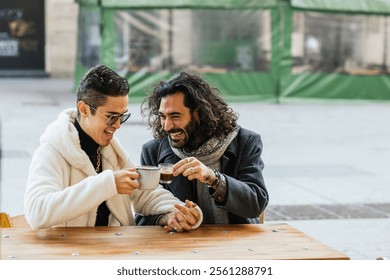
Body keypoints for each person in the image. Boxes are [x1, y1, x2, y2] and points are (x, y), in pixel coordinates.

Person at [24, 65, 202, 231]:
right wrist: (109, 184)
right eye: (111, 117)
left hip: (115, 251)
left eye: (122, 117)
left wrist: (178, 211)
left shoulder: (112, 151)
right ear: (84, 109)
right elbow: (37, 212)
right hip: (70, 257)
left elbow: (145, 194)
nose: (118, 125)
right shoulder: (51, 152)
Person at [137, 71, 268, 225]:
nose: (166, 126)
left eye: (175, 116)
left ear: (198, 113)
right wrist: (165, 218)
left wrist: (213, 178)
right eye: (162, 116)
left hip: (236, 243)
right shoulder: (152, 151)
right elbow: (141, 215)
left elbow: (256, 204)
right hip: (182, 245)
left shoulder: (245, 142)